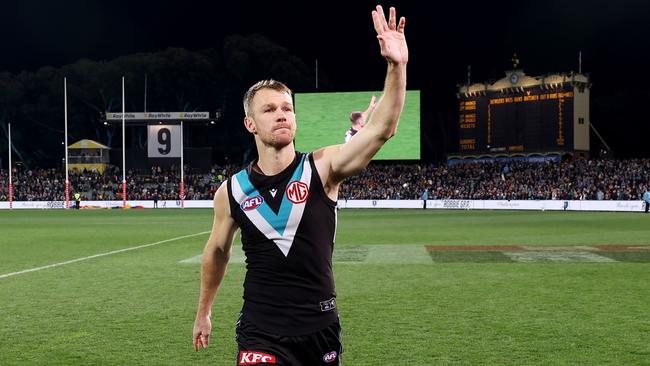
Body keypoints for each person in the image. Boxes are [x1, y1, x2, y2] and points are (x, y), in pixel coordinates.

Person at [192, 5, 408, 365]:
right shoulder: (232, 191)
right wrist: (204, 311)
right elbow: (217, 252)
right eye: (269, 109)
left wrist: (396, 66)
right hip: (260, 331)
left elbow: (381, 129)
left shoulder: (322, 168)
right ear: (250, 124)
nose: (281, 114)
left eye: (287, 108)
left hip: (319, 329)